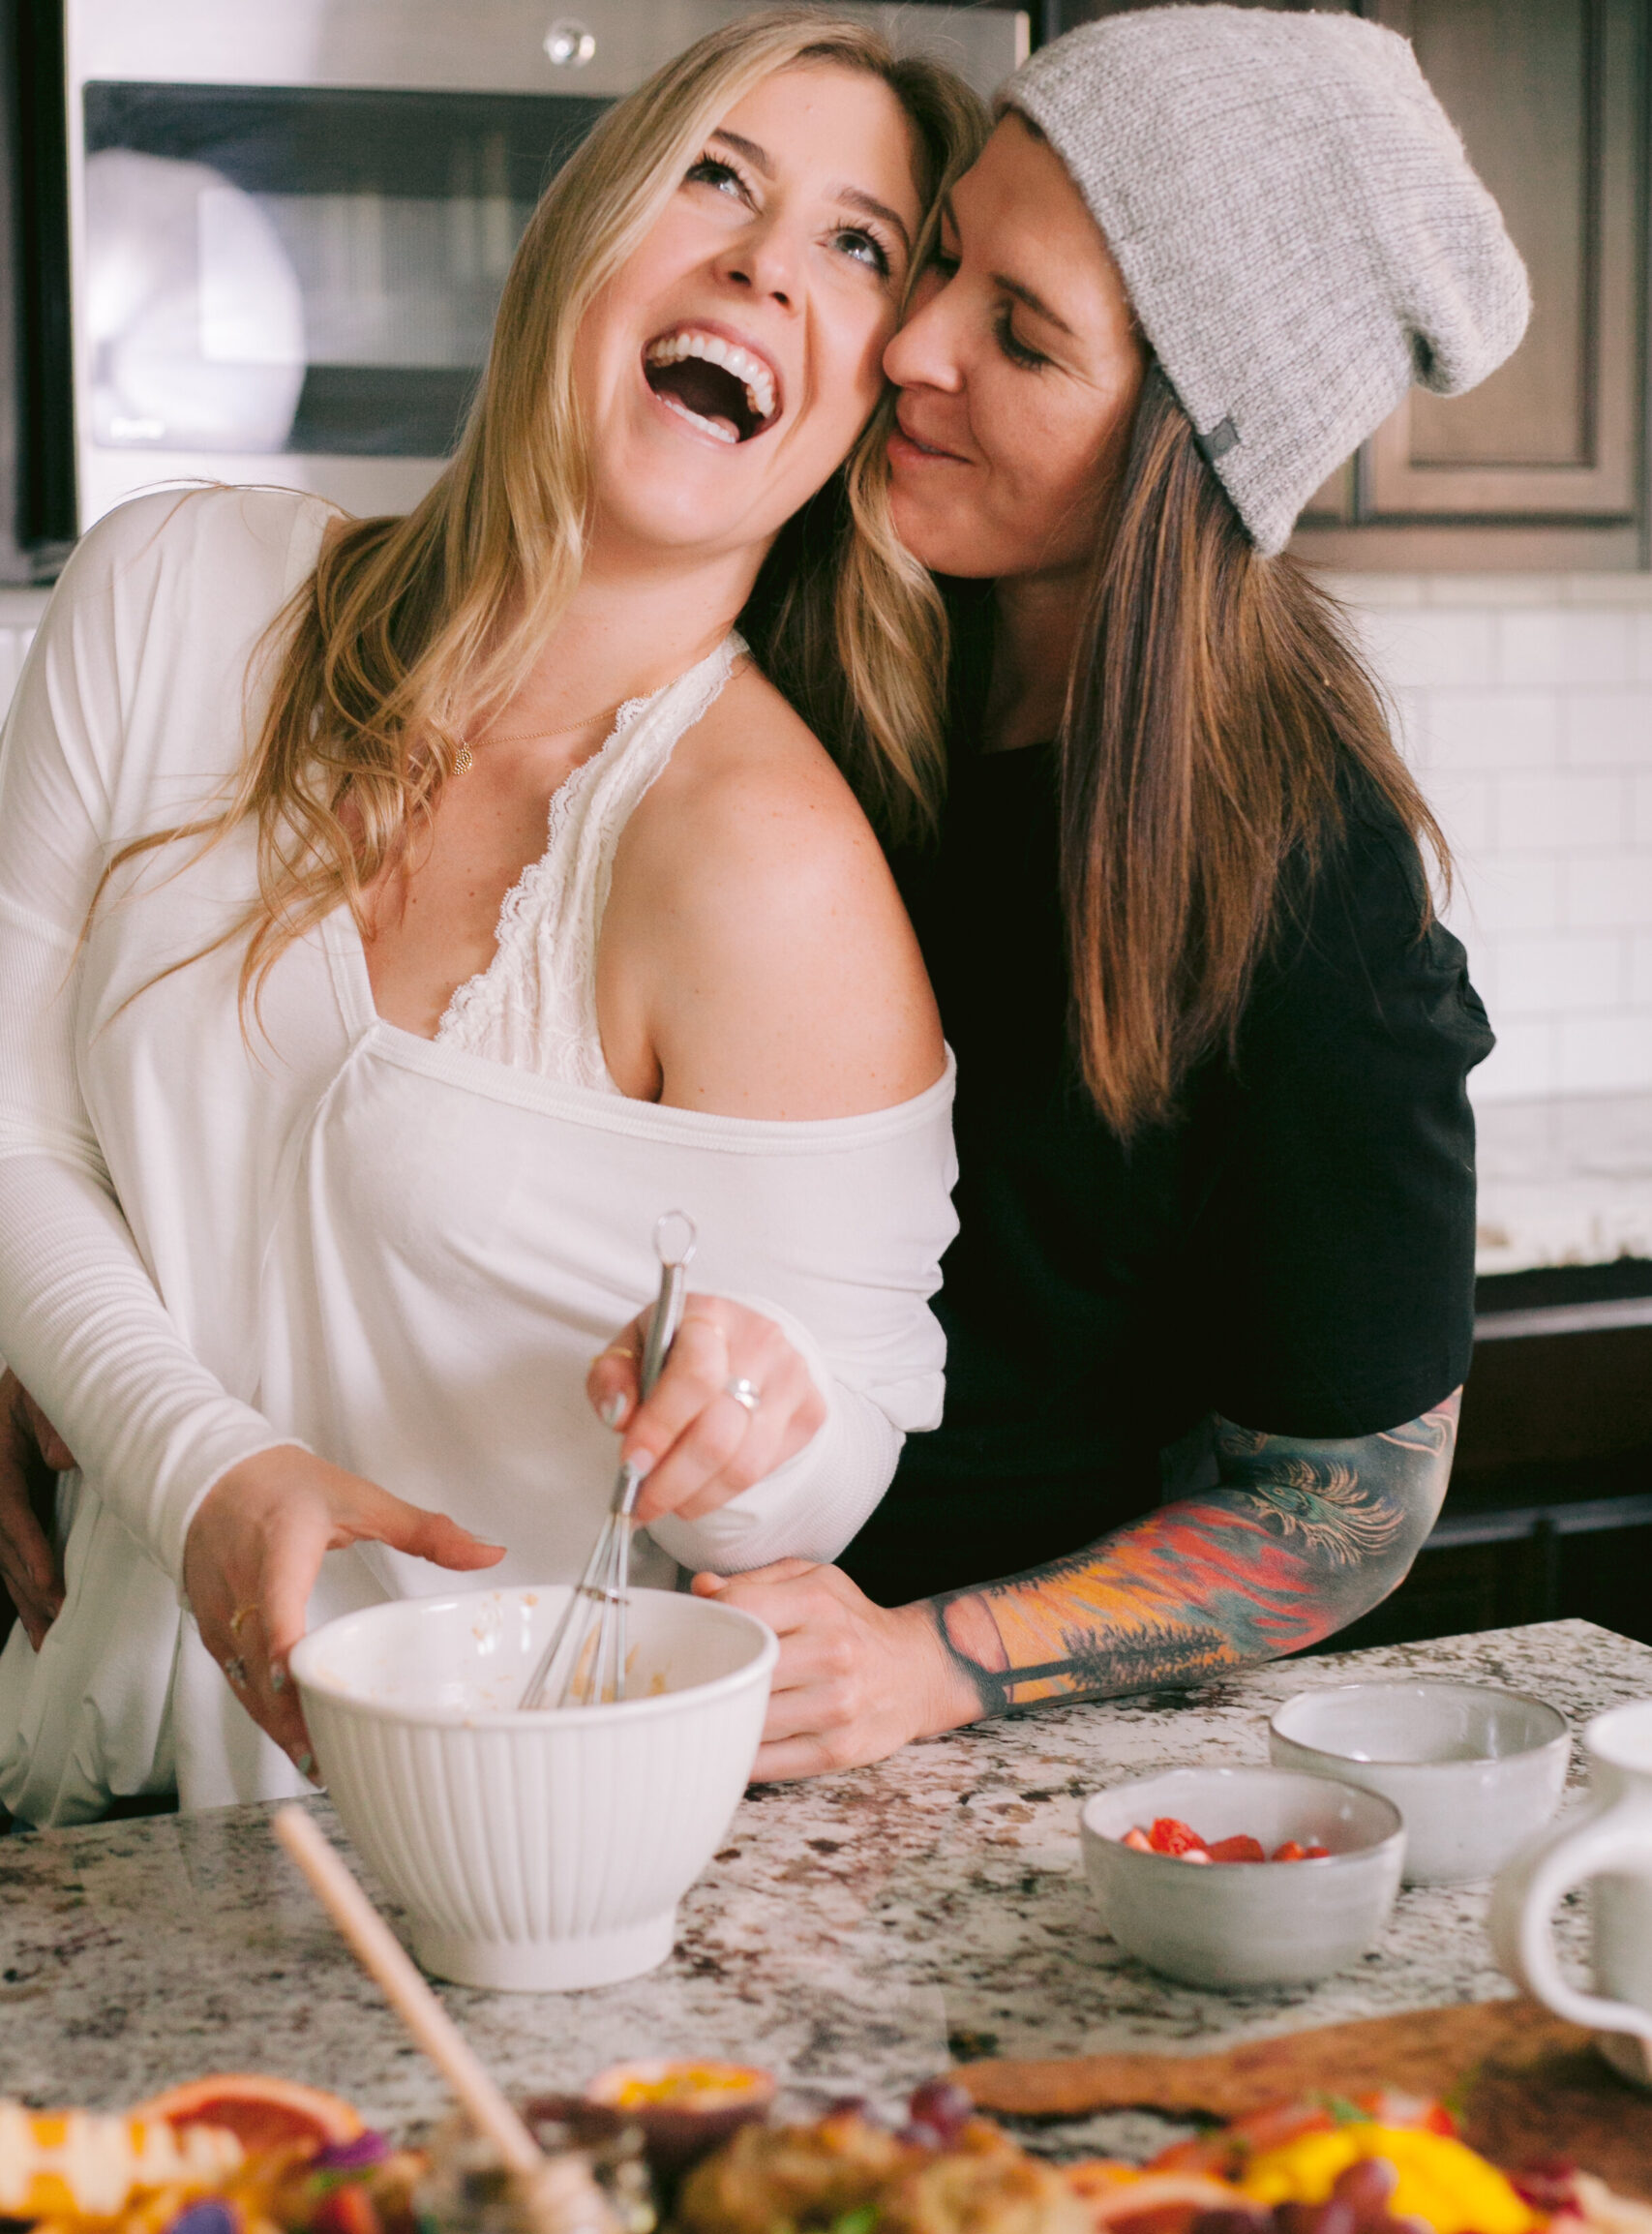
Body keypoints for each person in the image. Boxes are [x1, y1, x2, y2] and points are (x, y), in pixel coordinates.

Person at [0, 13, 983, 1823]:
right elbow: (11, 1132)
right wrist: (201, 1471)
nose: (768, 259)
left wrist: (750, 1423)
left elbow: (825, 1467)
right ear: (581, 240)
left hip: (508, 1854)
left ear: (869, 394)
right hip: (69, 1809)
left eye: (860, 243)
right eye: (718, 176)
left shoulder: (769, 865)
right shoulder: (169, 596)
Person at [675, 9, 1522, 1777]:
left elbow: (1346, 1499)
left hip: (913, 1757)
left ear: (1181, 455)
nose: (909, 344)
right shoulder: (799, 598)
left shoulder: (1303, 881)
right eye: (947, 256)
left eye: (1025, 336)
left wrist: (936, 1664)